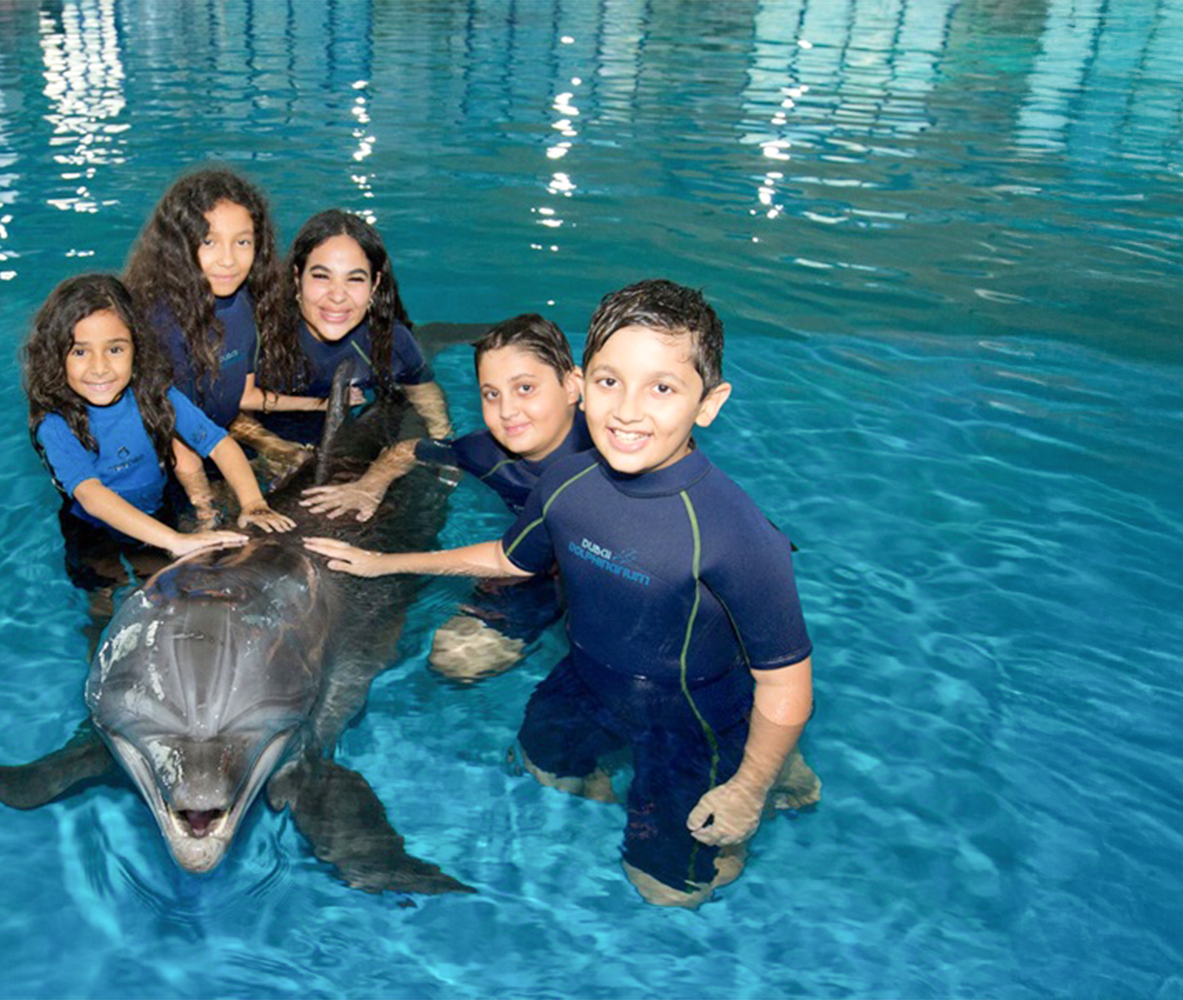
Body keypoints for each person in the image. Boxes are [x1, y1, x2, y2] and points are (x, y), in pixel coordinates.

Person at [304, 279, 816, 908]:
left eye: (662, 387)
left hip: (693, 710)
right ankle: (655, 791)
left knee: (667, 892)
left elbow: (787, 681)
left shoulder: (737, 533)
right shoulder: (568, 480)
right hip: (590, 679)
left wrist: (749, 788)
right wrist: (384, 564)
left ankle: (760, 763)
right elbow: (508, 558)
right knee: (546, 765)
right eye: (610, 381)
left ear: (708, 403)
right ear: (583, 382)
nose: (627, 411)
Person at [299, 313, 590, 681]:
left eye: (525, 388)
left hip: (603, 569)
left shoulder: (615, 448)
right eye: (491, 394)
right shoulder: (487, 452)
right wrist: (370, 485)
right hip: (536, 564)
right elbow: (408, 450)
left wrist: (382, 562)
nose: (507, 411)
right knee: (456, 655)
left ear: (572, 385)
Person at [23, 272, 294, 590]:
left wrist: (252, 503)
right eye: (80, 352)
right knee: (102, 599)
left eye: (115, 349)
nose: (100, 368)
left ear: (136, 349)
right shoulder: (55, 424)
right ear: (56, 356)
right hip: (93, 530)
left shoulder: (157, 396)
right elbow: (91, 496)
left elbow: (220, 443)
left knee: (169, 589)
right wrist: (175, 540)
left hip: (157, 511)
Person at [123, 168, 348, 517]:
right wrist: (206, 507)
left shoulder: (242, 303)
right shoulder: (160, 324)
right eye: (208, 241)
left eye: (242, 242)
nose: (228, 260)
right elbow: (170, 432)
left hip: (220, 437)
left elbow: (242, 397)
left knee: (310, 467)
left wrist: (317, 405)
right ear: (178, 245)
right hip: (168, 460)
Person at [266, 209, 452, 445]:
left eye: (355, 279)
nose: (337, 296)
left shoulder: (390, 340)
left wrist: (442, 442)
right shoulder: (262, 337)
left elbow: (421, 390)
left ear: (374, 285)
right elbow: (230, 413)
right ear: (297, 277)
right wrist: (271, 448)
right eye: (321, 276)